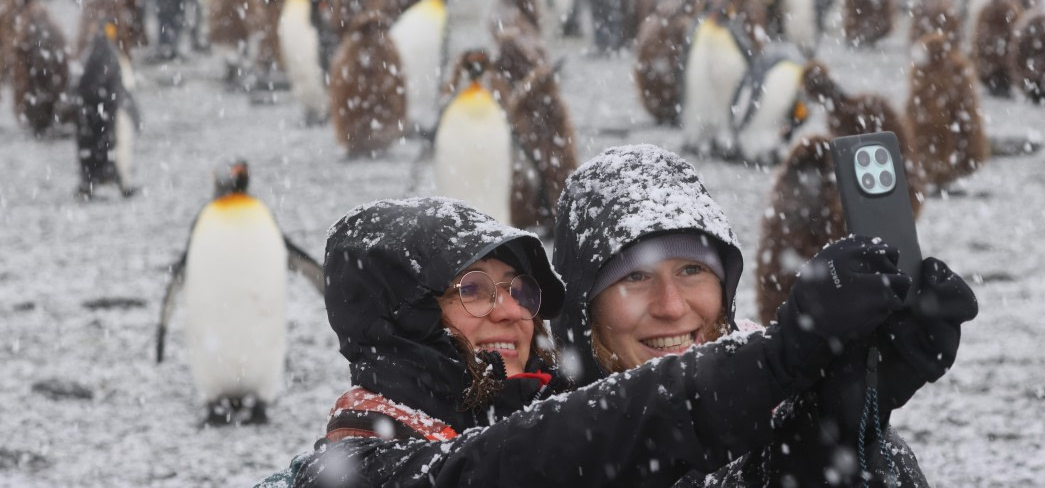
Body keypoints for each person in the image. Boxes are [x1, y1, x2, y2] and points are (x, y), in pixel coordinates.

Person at [258, 193, 916, 487]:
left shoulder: (528, 411)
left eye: (519, 289)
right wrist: (776, 356)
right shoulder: (360, 470)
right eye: (473, 289)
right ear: (401, 319)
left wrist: (837, 411)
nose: (511, 312)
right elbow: (541, 456)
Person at [552, 144, 979, 486]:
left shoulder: (776, 411)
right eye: (636, 277)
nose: (672, 306)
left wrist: (843, 429)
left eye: (692, 270)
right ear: (581, 307)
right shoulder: (541, 442)